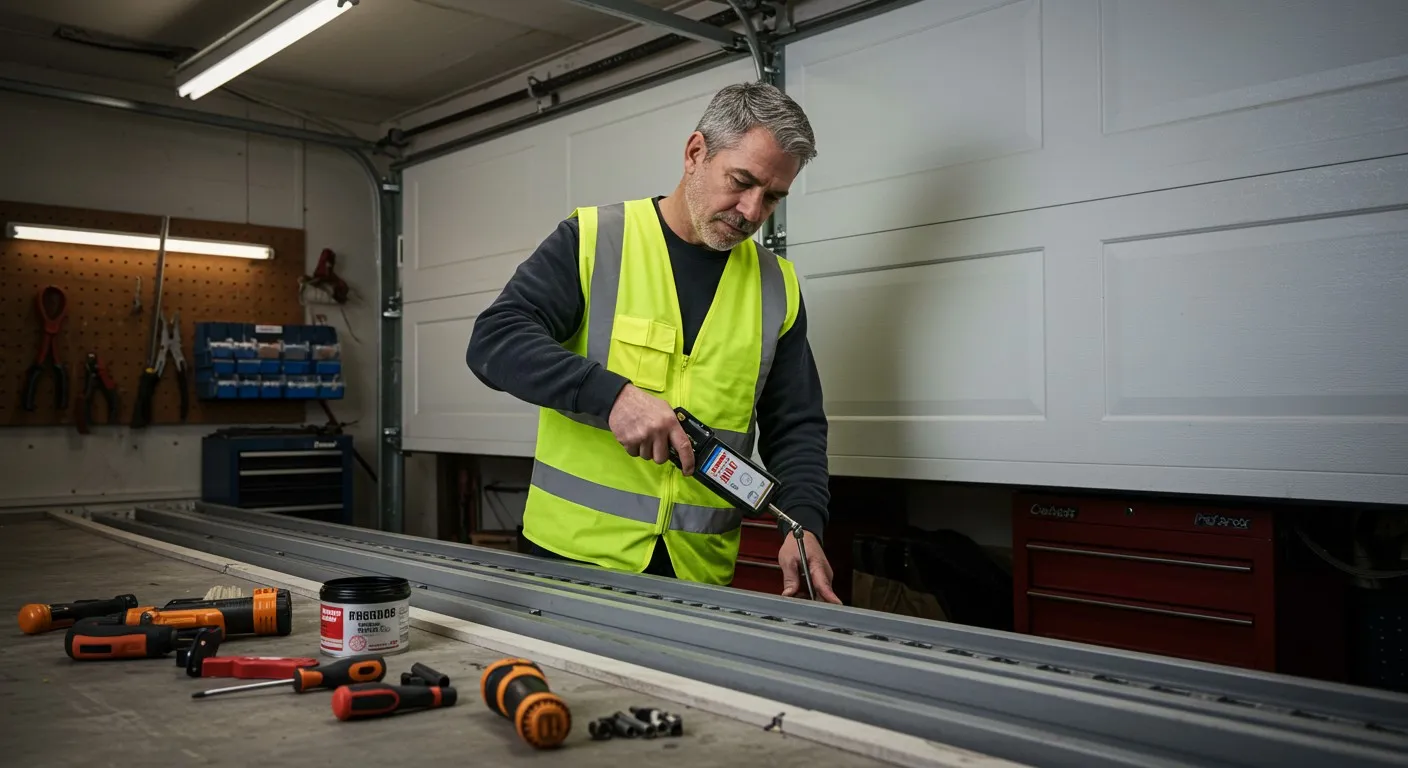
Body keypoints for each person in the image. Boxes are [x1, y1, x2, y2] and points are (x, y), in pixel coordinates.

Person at [465, 81, 840, 603]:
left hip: (699, 576)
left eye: (772, 196)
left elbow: (795, 424)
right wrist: (612, 396)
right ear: (695, 153)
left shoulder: (777, 286)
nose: (753, 211)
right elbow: (494, 340)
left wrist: (801, 523)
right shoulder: (595, 238)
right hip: (575, 562)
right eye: (741, 181)